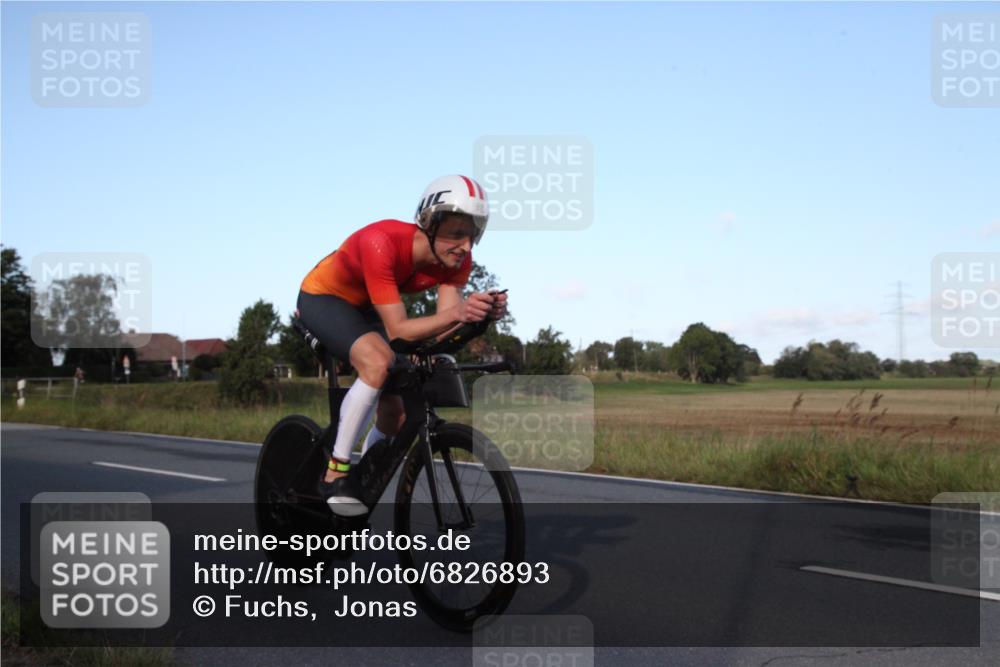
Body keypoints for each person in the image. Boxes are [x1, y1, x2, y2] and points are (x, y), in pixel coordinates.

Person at [297, 175, 508, 516]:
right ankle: (335, 471)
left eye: (473, 234)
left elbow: (442, 333)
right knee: (379, 361)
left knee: (395, 412)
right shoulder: (382, 242)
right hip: (325, 297)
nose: (466, 245)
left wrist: (478, 317)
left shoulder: (458, 261)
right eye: (456, 232)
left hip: (369, 309)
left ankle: (364, 479)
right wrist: (459, 311)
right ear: (429, 223)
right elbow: (398, 331)